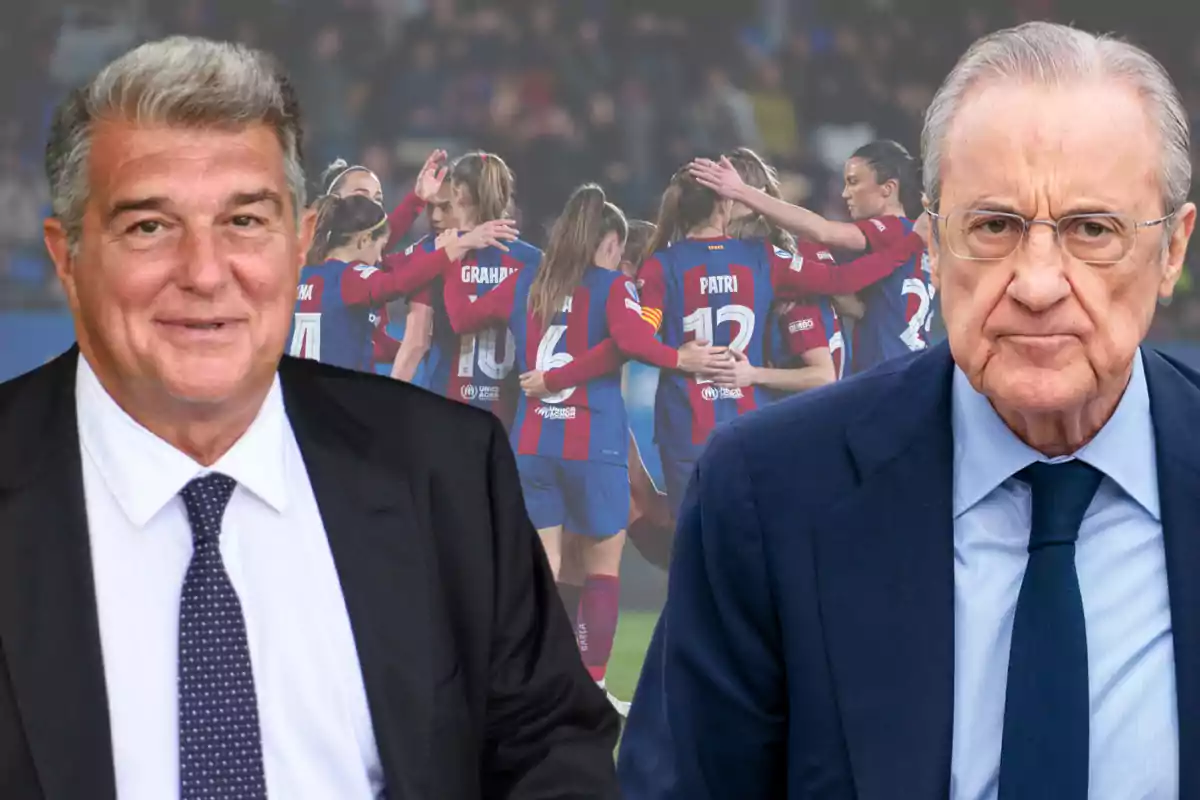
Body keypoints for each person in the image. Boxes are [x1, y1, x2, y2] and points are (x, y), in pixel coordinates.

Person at [0, 36, 620, 800]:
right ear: (67, 258)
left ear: (299, 245)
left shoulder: (447, 470)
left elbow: (550, 753)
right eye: (149, 227)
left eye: (246, 222)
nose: (203, 273)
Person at [620, 20, 1199, 800]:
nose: (1035, 282)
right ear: (929, 242)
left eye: (1091, 229)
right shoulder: (769, 494)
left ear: (1171, 251)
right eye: (992, 226)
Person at [439, 185, 726, 714]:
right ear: (611, 242)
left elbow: (458, 317)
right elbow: (632, 343)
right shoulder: (612, 288)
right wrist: (681, 358)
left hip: (532, 442)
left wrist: (456, 253)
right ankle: (588, 688)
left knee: (542, 569)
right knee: (601, 569)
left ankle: (522, 680)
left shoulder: (527, 280)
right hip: (592, 445)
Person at [637, 167, 928, 514]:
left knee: (694, 543)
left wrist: (678, 358)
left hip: (684, 424)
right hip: (749, 423)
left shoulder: (658, 267)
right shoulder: (762, 257)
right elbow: (841, 278)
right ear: (724, 207)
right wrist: (911, 243)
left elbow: (635, 339)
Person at [691, 139, 936, 375]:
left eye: (853, 182)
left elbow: (821, 230)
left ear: (888, 188)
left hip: (887, 375)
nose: (844, 194)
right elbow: (864, 308)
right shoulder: (919, 243)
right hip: (914, 365)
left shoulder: (891, 230)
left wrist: (741, 191)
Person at [290, 193, 514, 372]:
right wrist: (455, 248)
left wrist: (415, 351)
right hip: (336, 400)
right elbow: (396, 283)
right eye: (380, 247)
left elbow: (362, 344)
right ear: (364, 240)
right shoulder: (350, 278)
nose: (379, 259)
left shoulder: (304, 275)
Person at [426, 151, 543, 429]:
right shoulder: (534, 260)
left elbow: (416, 335)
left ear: (458, 193)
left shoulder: (437, 252)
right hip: (508, 409)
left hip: (446, 402)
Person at [314, 151, 447, 380]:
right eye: (361, 195)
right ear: (334, 202)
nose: (372, 205)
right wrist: (448, 251)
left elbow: (379, 240)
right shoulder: (339, 272)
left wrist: (418, 199)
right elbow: (397, 279)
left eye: (378, 199)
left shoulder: (336, 266)